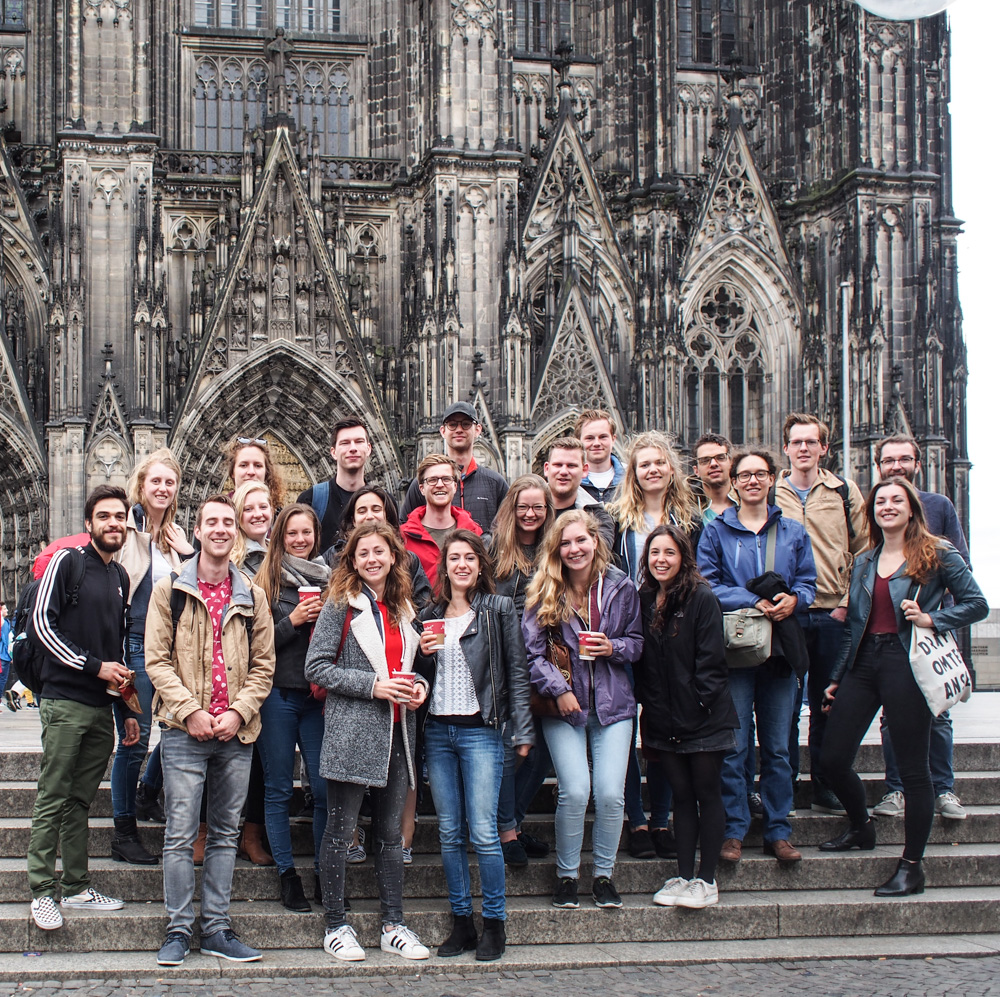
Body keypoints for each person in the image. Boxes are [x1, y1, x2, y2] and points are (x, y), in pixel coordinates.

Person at [819, 476, 987, 897]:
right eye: (880, 501)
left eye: (897, 500)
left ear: (912, 508)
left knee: (914, 772)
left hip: (907, 662)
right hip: (864, 662)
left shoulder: (936, 553)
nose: (887, 506)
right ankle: (861, 826)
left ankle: (912, 866)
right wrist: (837, 678)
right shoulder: (864, 559)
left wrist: (933, 618)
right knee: (832, 760)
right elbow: (856, 625)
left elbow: (977, 604)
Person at [145, 495, 275, 966]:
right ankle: (178, 929)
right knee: (180, 834)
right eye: (211, 522)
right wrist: (189, 711)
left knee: (224, 833)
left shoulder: (252, 594)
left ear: (235, 532)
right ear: (196, 531)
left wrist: (238, 713)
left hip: (235, 733)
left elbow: (264, 666)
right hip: (184, 732)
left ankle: (216, 928)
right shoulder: (170, 590)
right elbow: (156, 660)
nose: (220, 529)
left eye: (227, 522)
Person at [304, 521, 431, 963]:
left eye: (379, 551)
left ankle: (392, 924)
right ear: (352, 561)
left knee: (391, 836)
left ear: (393, 556)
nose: (372, 559)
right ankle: (336, 925)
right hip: (353, 731)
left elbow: (408, 667)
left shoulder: (403, 608)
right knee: (340, 833)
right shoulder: (340, 605)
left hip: (397, 731)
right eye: (363, 554)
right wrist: (372, 686)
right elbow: (316, 668)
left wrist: (417, 688)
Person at [417, 530, 533, 961]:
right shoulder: (428, 614)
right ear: (443, 566)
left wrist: (522, 729)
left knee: (484, 832)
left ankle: (495, 925)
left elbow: (517, 673)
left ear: (480, 565)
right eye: (454, 558)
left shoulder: (499, 609)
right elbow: (420, 679)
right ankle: (462, 922)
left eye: (469, 558)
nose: (461, 564)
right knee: (449, 833)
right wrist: (422, 655)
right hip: (438, 733)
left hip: (482, 732)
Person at [697, 449, 816, 865]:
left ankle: (779, 829)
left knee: (779, 745)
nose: (751, 481)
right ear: (733, 482)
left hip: (780, 647)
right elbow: (707, 582)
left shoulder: (794, 532)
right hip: (736, 646)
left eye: (759, 474)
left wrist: (793, 599)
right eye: (743, 475)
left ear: (771, 479)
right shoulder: (716, 532)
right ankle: (734, 828)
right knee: (736, 743)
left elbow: (809, 582)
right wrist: (754, 600)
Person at [26, 485, 136, 931]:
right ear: (88, 523)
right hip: (65, 701)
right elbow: (41, 626)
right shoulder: (67, 563)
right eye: (104, 516)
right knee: (53, 795)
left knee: (79, 800)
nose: (113, 523)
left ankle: (74, 885)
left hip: (99, 708)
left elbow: (117, 650)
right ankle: (40, 890)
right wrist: (93, 667)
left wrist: (126, 710)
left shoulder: (120, 578)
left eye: (119, 517)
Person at [522, 510, 642, 911]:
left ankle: (604, 875)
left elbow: (638, 642)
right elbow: (532, 653)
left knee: (610, 793)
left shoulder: (620, 587)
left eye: (581, 541)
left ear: (595, 542)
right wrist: (558, 690)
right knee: (574, 791)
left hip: (614, 704)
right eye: (566, 543)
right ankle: (568, 875)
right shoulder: (544, 589)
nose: (574, 549)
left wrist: (614, 647)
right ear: (556, 549)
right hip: (565, 708)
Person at [636, 525, 737, 909]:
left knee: (707, 794)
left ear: (684, 557)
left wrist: (694, 709)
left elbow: (712, 664)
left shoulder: (701, 597)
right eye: (654, 553)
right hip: (664, 718)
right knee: (680, 796)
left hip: (703, 718)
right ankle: (683, 874)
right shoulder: (645, 598)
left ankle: (706, 879)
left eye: (670, 553)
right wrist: (656, 709)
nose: (661, 560)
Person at [608, 430, 698, 859]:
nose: (652, 470)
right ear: (634, 473)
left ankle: (662, 818)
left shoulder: (690, 520)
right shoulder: (618, 519)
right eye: (644, 464)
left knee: (663, 729)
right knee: (625, 731)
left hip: (674, 632)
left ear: (670, 468)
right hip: (630, 629)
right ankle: (637, 819)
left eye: (659, 462)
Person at [872, 434, 971, 821]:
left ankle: (944, 788)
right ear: (878, 465)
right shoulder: (876, 507)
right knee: (891, 717)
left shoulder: (938, 506)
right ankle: (896, 789)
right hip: (886, 634)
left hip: (928, 631)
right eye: (889, 460)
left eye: (903, 459)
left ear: (918, 463)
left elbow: (961, 566)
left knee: (939, 712)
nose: (896, 466)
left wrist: (934, 614)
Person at [774, 414, 868, 814]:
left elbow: (866, 548)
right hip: (788, 611)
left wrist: (849, 601)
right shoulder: (769, 491)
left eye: (811, 442)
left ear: (824, 448)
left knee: (827, 701)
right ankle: (789, 780)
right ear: (786, 448)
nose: (804, 449)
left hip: (832, 610)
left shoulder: (844, 491)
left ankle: (825, 784)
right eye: (797, 442)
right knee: (786, 704)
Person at [112, 449, 195, 865]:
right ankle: (123, 831)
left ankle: (147, 792)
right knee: (135, 740)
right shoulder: (125, 529)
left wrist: (189, 550)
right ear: (141, 485)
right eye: (156, 481)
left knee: (180, 726)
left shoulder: (174, 536)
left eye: (170, 483)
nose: (163, 488)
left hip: (173, 648)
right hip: (136, 645)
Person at [254, 504, 331, 912]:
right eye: (292, 534)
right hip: (278, 697)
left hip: (316, 701)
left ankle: (323, 871)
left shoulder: (331, 580)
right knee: (279, 788)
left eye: (306, 533)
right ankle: (288, 875)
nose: (300, 540)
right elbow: (253, 647)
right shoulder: (264, 583)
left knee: (321, 789)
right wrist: (294, 620)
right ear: (279, 537)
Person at [490, 475, 556, 864]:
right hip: (501, 665)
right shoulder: (491, 548)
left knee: (540, 752)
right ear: (511, 510)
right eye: (523, 507)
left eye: (538, 507)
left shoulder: (556, 552)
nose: (530, 514)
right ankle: (507, 831)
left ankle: (510, 822)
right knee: (509, 750)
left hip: (545, 663)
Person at [400, 402, 509, 532]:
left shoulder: (495, 482)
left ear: (478, 430)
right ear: (443, 431)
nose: (459, 429)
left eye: (466, 424)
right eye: (452, 425)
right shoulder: (424, 483)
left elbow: (508, 527)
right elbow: (404, 526)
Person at [401, 454, 483, 590]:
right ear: (421, 488)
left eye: (446, 479)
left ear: (455, 486)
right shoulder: (403, 537)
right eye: (432, 480)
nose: (440, 485)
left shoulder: (474, 532)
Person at [297, 418, 375, 552]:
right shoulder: (310, 500)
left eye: (359, 441)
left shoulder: (384, 502)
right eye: (345, 443)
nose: (353, 448)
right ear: (333, 452)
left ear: (368, 449)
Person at [542, 437, 615, 546]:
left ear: (585, 470)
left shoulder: (599, 518)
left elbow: (598, 556)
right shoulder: (527, 512)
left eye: (571, 466)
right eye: (558, 465)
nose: (563, 471)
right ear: (547, 469)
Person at [221, 436, 286, 513]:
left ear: (266, 472)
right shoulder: (219, 510)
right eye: (243, 465)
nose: (251, 472)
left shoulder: (279, 517)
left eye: (258, 465)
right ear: (232, 472)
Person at [574, 409, 625, 504]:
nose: (596, 443)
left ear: (613, 439)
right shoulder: (570, 480)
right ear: (578, 441)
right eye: (589, 438)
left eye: (603, 437)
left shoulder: (632, 477)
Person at [231, 481, 274, 574]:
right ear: (237, 516)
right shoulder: (228, 561)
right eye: (248, 509)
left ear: (271, 511)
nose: (258, 514)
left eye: (263, 507)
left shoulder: (281, 552)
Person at [692, 434, 735, 524]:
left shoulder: (748, 502)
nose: (713, 464)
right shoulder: (685, 511)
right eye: (705, 460)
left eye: (720, 457)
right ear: (696, 471)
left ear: (731, 463)